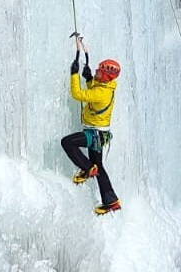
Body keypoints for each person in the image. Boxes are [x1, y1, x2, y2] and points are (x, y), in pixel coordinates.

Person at [61, 41, 122, 215]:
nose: (96, 72)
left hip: (94, 134)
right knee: (100, 166)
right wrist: (88, 79)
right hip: (100, 134)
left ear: (105, 75)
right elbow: (94, 93)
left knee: (67, 143)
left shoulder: (101, 91)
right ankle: (111, 200)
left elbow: (78, 95)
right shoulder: (106, 87)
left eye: (98, 71)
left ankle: (87, 168)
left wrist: (74, 75)